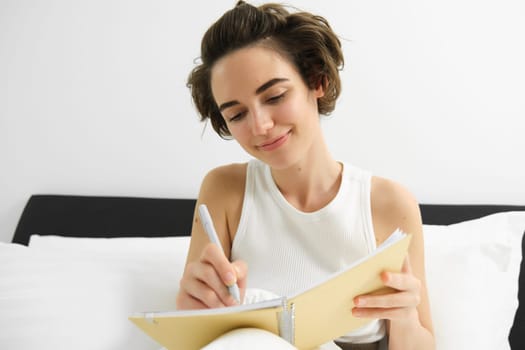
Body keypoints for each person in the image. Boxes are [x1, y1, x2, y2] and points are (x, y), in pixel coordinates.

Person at [176, 1, 435, 349]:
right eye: (236, 115)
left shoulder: (387, 204)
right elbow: (196, 333)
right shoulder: (224, 191)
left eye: (275, 96)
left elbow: (421, 340)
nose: (260, 126)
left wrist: (404, 317)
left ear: (317, 81)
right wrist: (193, 308)